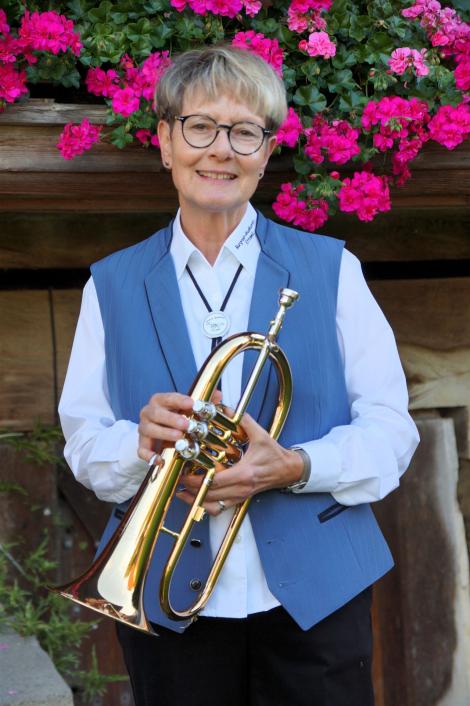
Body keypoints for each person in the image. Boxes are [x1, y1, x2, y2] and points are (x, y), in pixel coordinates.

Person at [59, 45, 419, 706]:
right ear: (165, 142)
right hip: (161, 590)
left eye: (244, 132)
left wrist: (297, 466)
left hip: (317, 594)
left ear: (266, 151)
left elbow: (392, 431)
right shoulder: (109, 285)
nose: (220, 150)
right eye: (200, 127)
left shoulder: (332, 269)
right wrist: (140, 445)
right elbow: (84, 442)